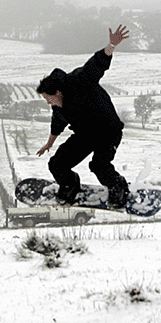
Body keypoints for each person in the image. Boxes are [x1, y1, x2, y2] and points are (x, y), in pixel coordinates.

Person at [36, 25, 130, 208]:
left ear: (57, 91)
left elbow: (96, 64)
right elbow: (57, 124)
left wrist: (111, 45)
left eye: (49, 98)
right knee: (57, 164)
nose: (48, 103)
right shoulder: (59, 106)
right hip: (85, 136)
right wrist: (49, 143)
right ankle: (70, 185)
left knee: (99, 165)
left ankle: (118, 187)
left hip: (108, 131)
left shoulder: (80, 80)